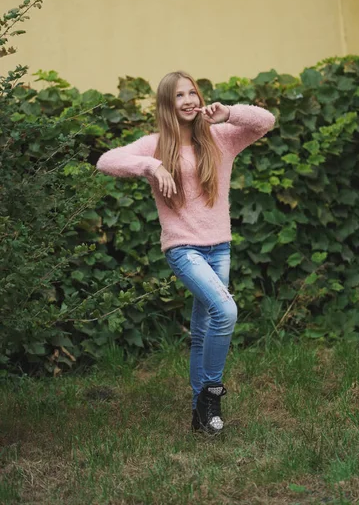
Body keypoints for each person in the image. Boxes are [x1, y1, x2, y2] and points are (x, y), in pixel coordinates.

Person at [96, 71, 275, 434]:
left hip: (219, 247)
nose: (189, 100)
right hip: (183, 247)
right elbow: (106, 160)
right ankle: (211, 394)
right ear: (168, 104)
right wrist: (151, 164)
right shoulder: (155, 146)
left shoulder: (220, 138)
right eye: (179, 96)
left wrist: (230, 114)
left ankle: (199, 415)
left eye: (192, 92)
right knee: (225, 310)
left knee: (204, 327)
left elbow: (266, 121)